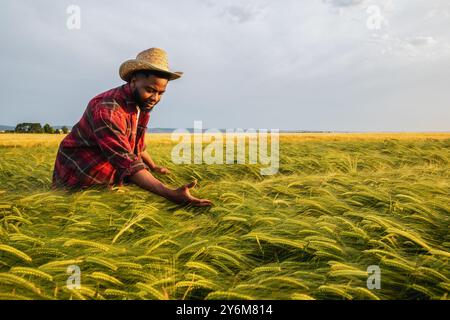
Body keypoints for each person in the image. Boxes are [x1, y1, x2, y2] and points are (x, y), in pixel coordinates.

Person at [51, 48, 212, 207]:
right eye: (150, 90)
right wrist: (171, 194)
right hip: (79, 177)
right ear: (133, 81)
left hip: (105, 175)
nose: (155, 98)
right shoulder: (108, 110)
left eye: (161, 93)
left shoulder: (139, 104)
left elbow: (136, 145)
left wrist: (153, 166)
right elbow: (126, 161)